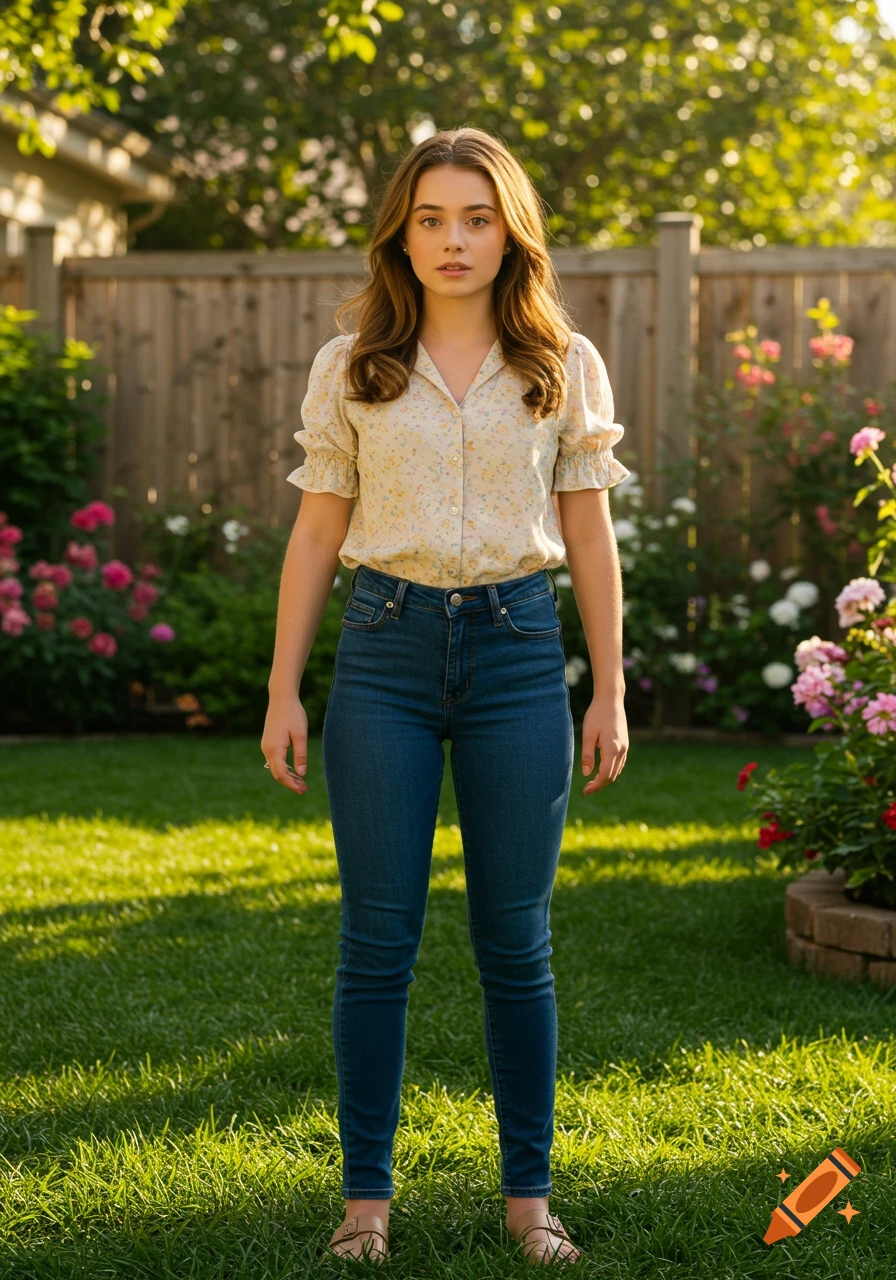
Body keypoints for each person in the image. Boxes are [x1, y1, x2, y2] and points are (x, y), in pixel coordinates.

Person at [262, 126, 630, 1268]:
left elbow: (587, 529)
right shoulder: (354, 364)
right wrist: (284, 687)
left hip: (520, 653)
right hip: (383, 653)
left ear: (507, 230)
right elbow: (318, 526)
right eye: (430, 218)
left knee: (514, 940)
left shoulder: (558, 362)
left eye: (475, 217)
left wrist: (607, 688)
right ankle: (363, 1200)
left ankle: (530, 1200)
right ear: (400, 232)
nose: (452, 239)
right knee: (377, 940)